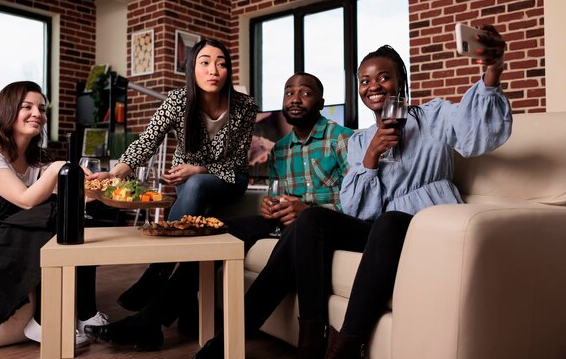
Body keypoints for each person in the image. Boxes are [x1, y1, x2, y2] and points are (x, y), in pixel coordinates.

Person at [193, 24, 512, 359]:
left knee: (389, 221)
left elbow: (480, 135)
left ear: (401, 80)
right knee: (310, 221)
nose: (373, 86)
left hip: (422, 226)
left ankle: (345, 344)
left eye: (383, 77)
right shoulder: (361, 141)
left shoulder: (433, 116)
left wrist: (492, 71)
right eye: (364, 81)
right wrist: (372, 156)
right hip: (376, 230)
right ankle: (309, 334)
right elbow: (357, 210)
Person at [84, 39, 258, 350]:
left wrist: (198, 169)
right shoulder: (178, 101)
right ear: (192, 67)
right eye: (204, 62)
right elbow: (147, 142)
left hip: (229, 178)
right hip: (188, 181)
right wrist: (114, 173)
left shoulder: (244, 106)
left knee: (196, 185)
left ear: (228, 69)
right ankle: (176, 316)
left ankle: (157, 271)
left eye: (221, 62)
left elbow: (235, 160)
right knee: (195, 203)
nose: (213, 69)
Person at [0, 81, 108, 347]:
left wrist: (93, 192)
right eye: (27, 106)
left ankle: (85, 313)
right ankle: (42, 322)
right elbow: (26, 200)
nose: (37, 113)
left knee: (78, 217)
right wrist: (56, 169)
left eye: (41, 108)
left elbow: (56, 197)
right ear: (7, 110)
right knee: (56, 217)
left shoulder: (34, 158)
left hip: (8, 228)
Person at [222, 72, 355, 252]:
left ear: (321, 104)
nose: (295, 100)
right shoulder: (279, 150)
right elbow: (277, 196)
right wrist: (270, 207)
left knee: (305, 225)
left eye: (306, 93)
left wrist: (306, 210)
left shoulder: (342, 138)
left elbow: (357, 202)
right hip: (289, 225)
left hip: (326, 225)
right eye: (289, 93)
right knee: (222, 229)